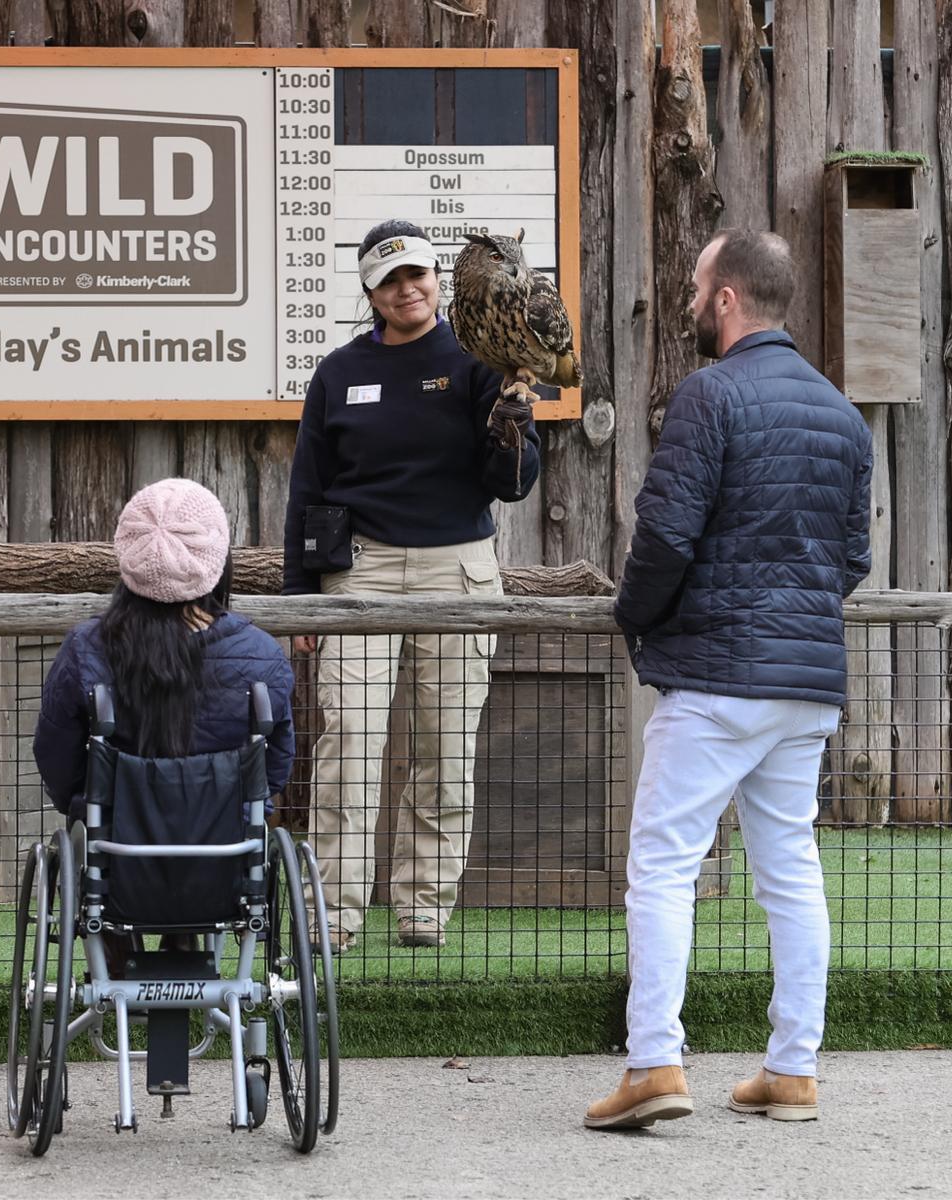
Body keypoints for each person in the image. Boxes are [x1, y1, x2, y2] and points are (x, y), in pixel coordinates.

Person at [584, 228, 873, 1131]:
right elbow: (852, 558)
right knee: (790, 870)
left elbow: (665, 537)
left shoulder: (708, 397)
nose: (692, 300)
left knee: (663, 868)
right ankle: (792, 1070)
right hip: (805, 683)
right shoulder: (841, 413)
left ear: (726, 300)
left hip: (713, 677)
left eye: (699, 286)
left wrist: (635, 615)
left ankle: (655, 1066)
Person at [282, 218, 539, 953]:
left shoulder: (477, 358)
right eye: (389, 279)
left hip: (458, 569)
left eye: (417, 274)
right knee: (350, 744)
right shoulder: (337, 372)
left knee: (446, 750)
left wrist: (514, 428)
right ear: (370, 290)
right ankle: (333, 913)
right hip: (359, 573)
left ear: (439, 277)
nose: (407, 289)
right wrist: (301, 594)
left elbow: (513, 482)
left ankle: (423, 906)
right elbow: (308, 485)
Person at [33, 479, 297, 972]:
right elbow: (274, 771)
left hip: (114, 858)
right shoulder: (262, 656)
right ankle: (188, 941)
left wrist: (85, 802)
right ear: (217, 561)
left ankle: (115, 948)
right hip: (223, 862)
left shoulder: (86, 650)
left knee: (90, 825)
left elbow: (56, 758)